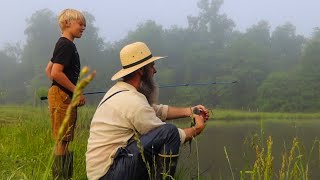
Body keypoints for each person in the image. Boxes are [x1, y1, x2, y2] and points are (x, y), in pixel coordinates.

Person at [86, 42, 210, 180]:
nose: (155, 71)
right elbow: (170, 135)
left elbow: (155, 110)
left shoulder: (120, 91)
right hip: (109, 174)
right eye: (152, 66)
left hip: (107, 170)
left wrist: (190, 111)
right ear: (141, 70)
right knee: (169, 132)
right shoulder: (132, 101)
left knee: (164, 135)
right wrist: (196, 129)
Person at [46, 8, 86, 179]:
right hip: (62, 96)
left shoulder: (64, 44)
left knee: (64, 140)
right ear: (67, 23)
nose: (83, 27)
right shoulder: (66, 44)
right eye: (81, 24)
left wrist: (57, 89)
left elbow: (48, 69)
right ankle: (62, 178)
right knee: (62, 141)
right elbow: (55, 73)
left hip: (61, 95)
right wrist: (75, 90)